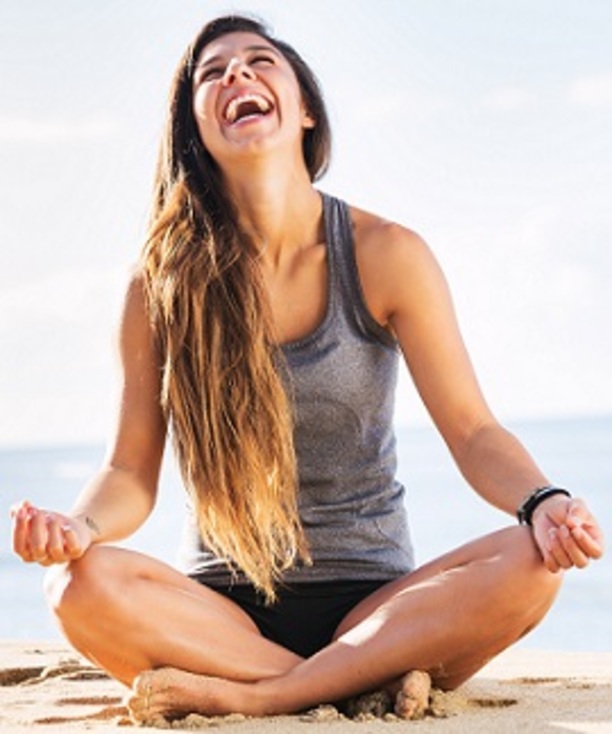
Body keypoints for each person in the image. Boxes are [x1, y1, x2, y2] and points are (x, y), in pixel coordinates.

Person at [11, 14, 603, 724]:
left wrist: (544, 504)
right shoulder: (160, 284)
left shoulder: (386, 254)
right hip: (221, 615)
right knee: (76, 587)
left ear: (306, 111)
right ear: (195, 126)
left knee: (534, 564)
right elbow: (130, 471)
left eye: (259, 61)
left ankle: (263, 696)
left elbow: (474, 431)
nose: (236, 74)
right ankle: (347, 682)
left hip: (377, 603)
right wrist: (79, 527)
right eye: (212, 72)